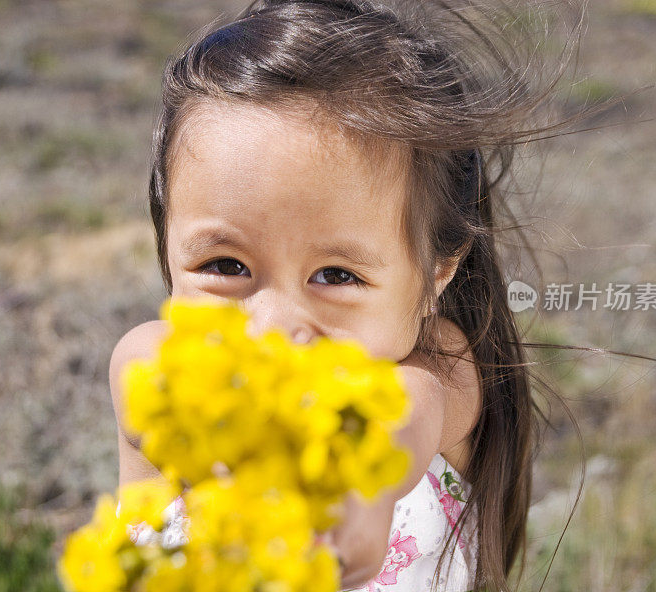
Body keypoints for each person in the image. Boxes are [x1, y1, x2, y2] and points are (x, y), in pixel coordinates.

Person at [109, 1, 581, 590]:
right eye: (225, 265)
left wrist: (364, 483)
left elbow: (410, 411)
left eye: (336, 276)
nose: (275, 326)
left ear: (437, 272)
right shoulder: (154, 366)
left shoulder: (439, 370)